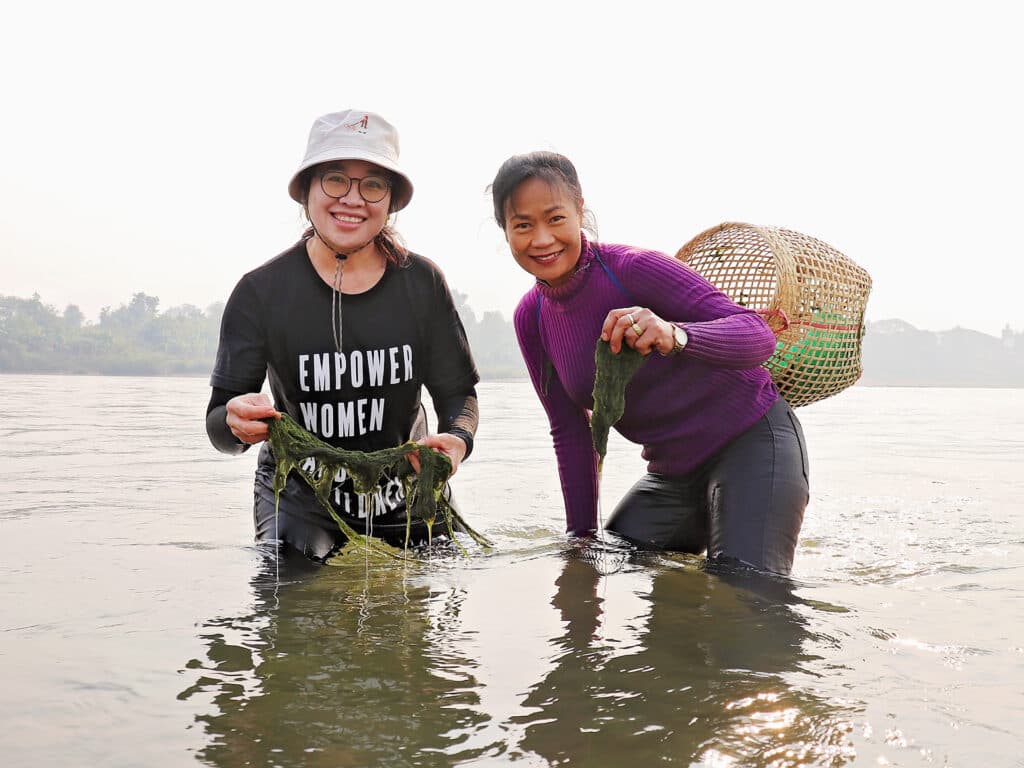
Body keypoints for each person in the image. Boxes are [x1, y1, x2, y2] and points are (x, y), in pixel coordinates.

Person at [490, 151, 809, 575]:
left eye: (555, 218)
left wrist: (674, 334)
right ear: (506, 231)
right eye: (523, 225)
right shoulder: (531, 318)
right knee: (611, 560)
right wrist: (580, 540)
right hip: (674, 473)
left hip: (752, 441)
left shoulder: (634, 269)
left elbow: (757, 336)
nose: (542, 239)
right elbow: (570, 431)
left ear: (579, 211)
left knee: (745, 595)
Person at [207, 109, 479, 560]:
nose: (352, 199)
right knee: (293, 597)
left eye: (372, 184)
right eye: (335, 179)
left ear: (390, 200)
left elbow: (459, 394)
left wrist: (458, 442)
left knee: (423, 610)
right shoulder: (262, 292)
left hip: (406, 495)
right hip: (301, 499)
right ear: (308, 191)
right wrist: (234, 422)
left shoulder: (422, 284)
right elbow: (219, 423)